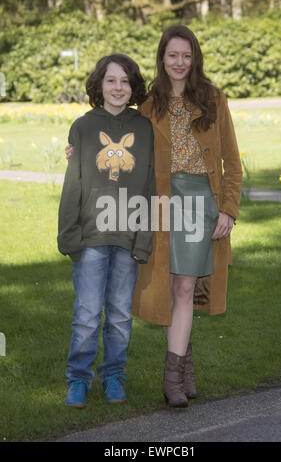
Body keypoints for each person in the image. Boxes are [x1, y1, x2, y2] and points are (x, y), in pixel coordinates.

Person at [65, 25, 243, 409]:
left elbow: (232, 159)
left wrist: (228, 208)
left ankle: (172, 376)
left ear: (194, 58)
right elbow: (111, 124)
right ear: (162, 58)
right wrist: (77, 149)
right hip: (159, 203)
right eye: (172, 55)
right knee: (168, 287)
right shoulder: (149, 104)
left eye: (186, 55)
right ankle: (184, 367)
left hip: (200, 201)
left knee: (184, 287)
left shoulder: (214, 99)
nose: (179, 63)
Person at [58, 54, 155, 408]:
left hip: (128, 235)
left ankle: (114, 374)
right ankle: (78, 378)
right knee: (86, 312)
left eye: (125, 81)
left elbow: (149, 184)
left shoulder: (143, 128)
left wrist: (143, 238)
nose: (118, 87)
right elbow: (74, 183)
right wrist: (69, 234)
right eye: (111, 80)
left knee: (118, 314)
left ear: (134, 87)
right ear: (100, 84)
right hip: (91, 237)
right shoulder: (83, 127)